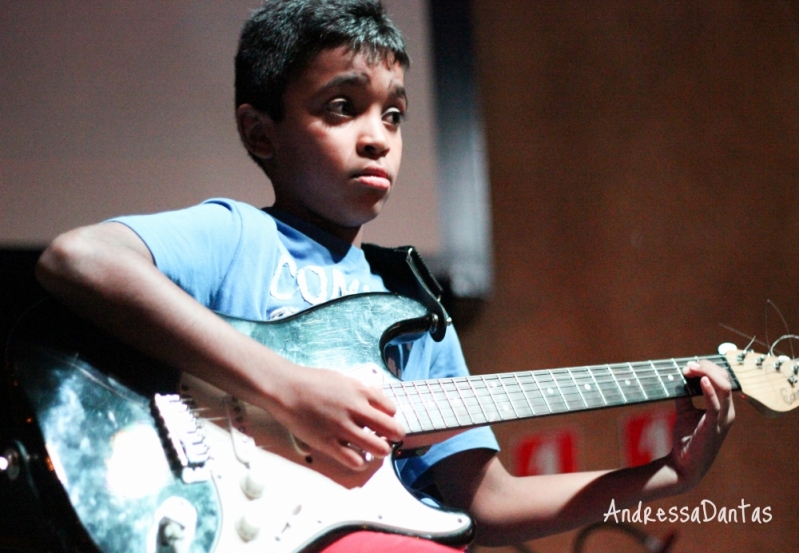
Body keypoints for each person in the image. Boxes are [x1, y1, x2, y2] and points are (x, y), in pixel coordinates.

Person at [35, 0, 734, 550]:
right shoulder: (237, 236)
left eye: (393, 114)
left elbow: (483, 501)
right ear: (260, 134)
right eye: (342, 107)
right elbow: (80, 259)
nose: (378, 136)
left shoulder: (412, 307)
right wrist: (287, 387)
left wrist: (663, 477)